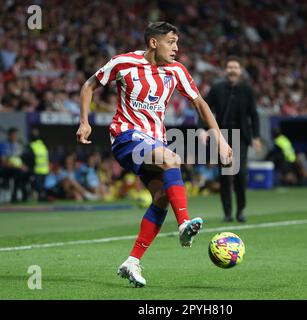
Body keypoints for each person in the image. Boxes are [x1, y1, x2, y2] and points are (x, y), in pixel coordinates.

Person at [76, 21, 232, 287]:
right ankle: (184, 224)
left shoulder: (176, 70)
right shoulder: (123, 63)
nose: (176, 48)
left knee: (161, 197)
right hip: (126, 136)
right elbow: (89, 86)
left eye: (177, 42)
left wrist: (219, 136)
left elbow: (199, 103)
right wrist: (84, 121)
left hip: (153, 139)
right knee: (172, 159)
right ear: (153, 43)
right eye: (171, 42)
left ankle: (132, 262)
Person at [204, 56, 261, 223]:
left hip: (241, 137)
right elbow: (204, 109)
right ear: (225, 70)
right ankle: (228, 213)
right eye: (229, 67)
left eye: (235, 67)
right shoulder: (217, 89)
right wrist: (202, 129)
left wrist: (256, 136)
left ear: (240, 71)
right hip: (222, 137)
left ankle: (240, 210)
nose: (232, 70)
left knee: (241, 174)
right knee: (225, 176)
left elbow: (254, 115)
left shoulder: (247, 90)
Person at [0, 127, 30, 202]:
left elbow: (21, 160)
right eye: (14, 135)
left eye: (17, 135)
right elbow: (3, 162)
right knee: (18, 172)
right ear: (9, 135)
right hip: (5, 169)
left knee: (26, 172)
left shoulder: (19, 146)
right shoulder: (3, 145)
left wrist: (23, 166)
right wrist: (17, 166)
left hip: (17, 169)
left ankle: (24, 195)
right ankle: (14, 195)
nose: (16, 137)